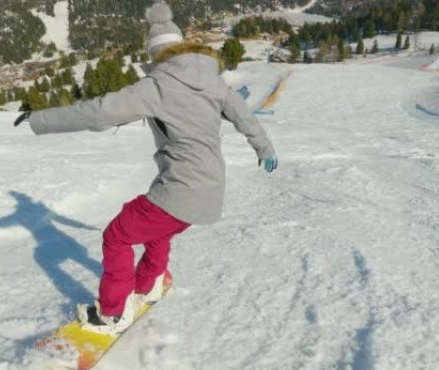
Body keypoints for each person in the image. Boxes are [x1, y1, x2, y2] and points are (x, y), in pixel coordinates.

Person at [14, 2, 277, 335]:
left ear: (155, 54)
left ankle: (113, 313)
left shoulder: (157, 85)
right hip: (210, 187)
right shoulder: (213, 81)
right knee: (158, 229)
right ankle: (149, 284)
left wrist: (40, 119)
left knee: (117, 236)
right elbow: (244, 116)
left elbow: (97, 113)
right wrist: (264, 149)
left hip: (183, 188)